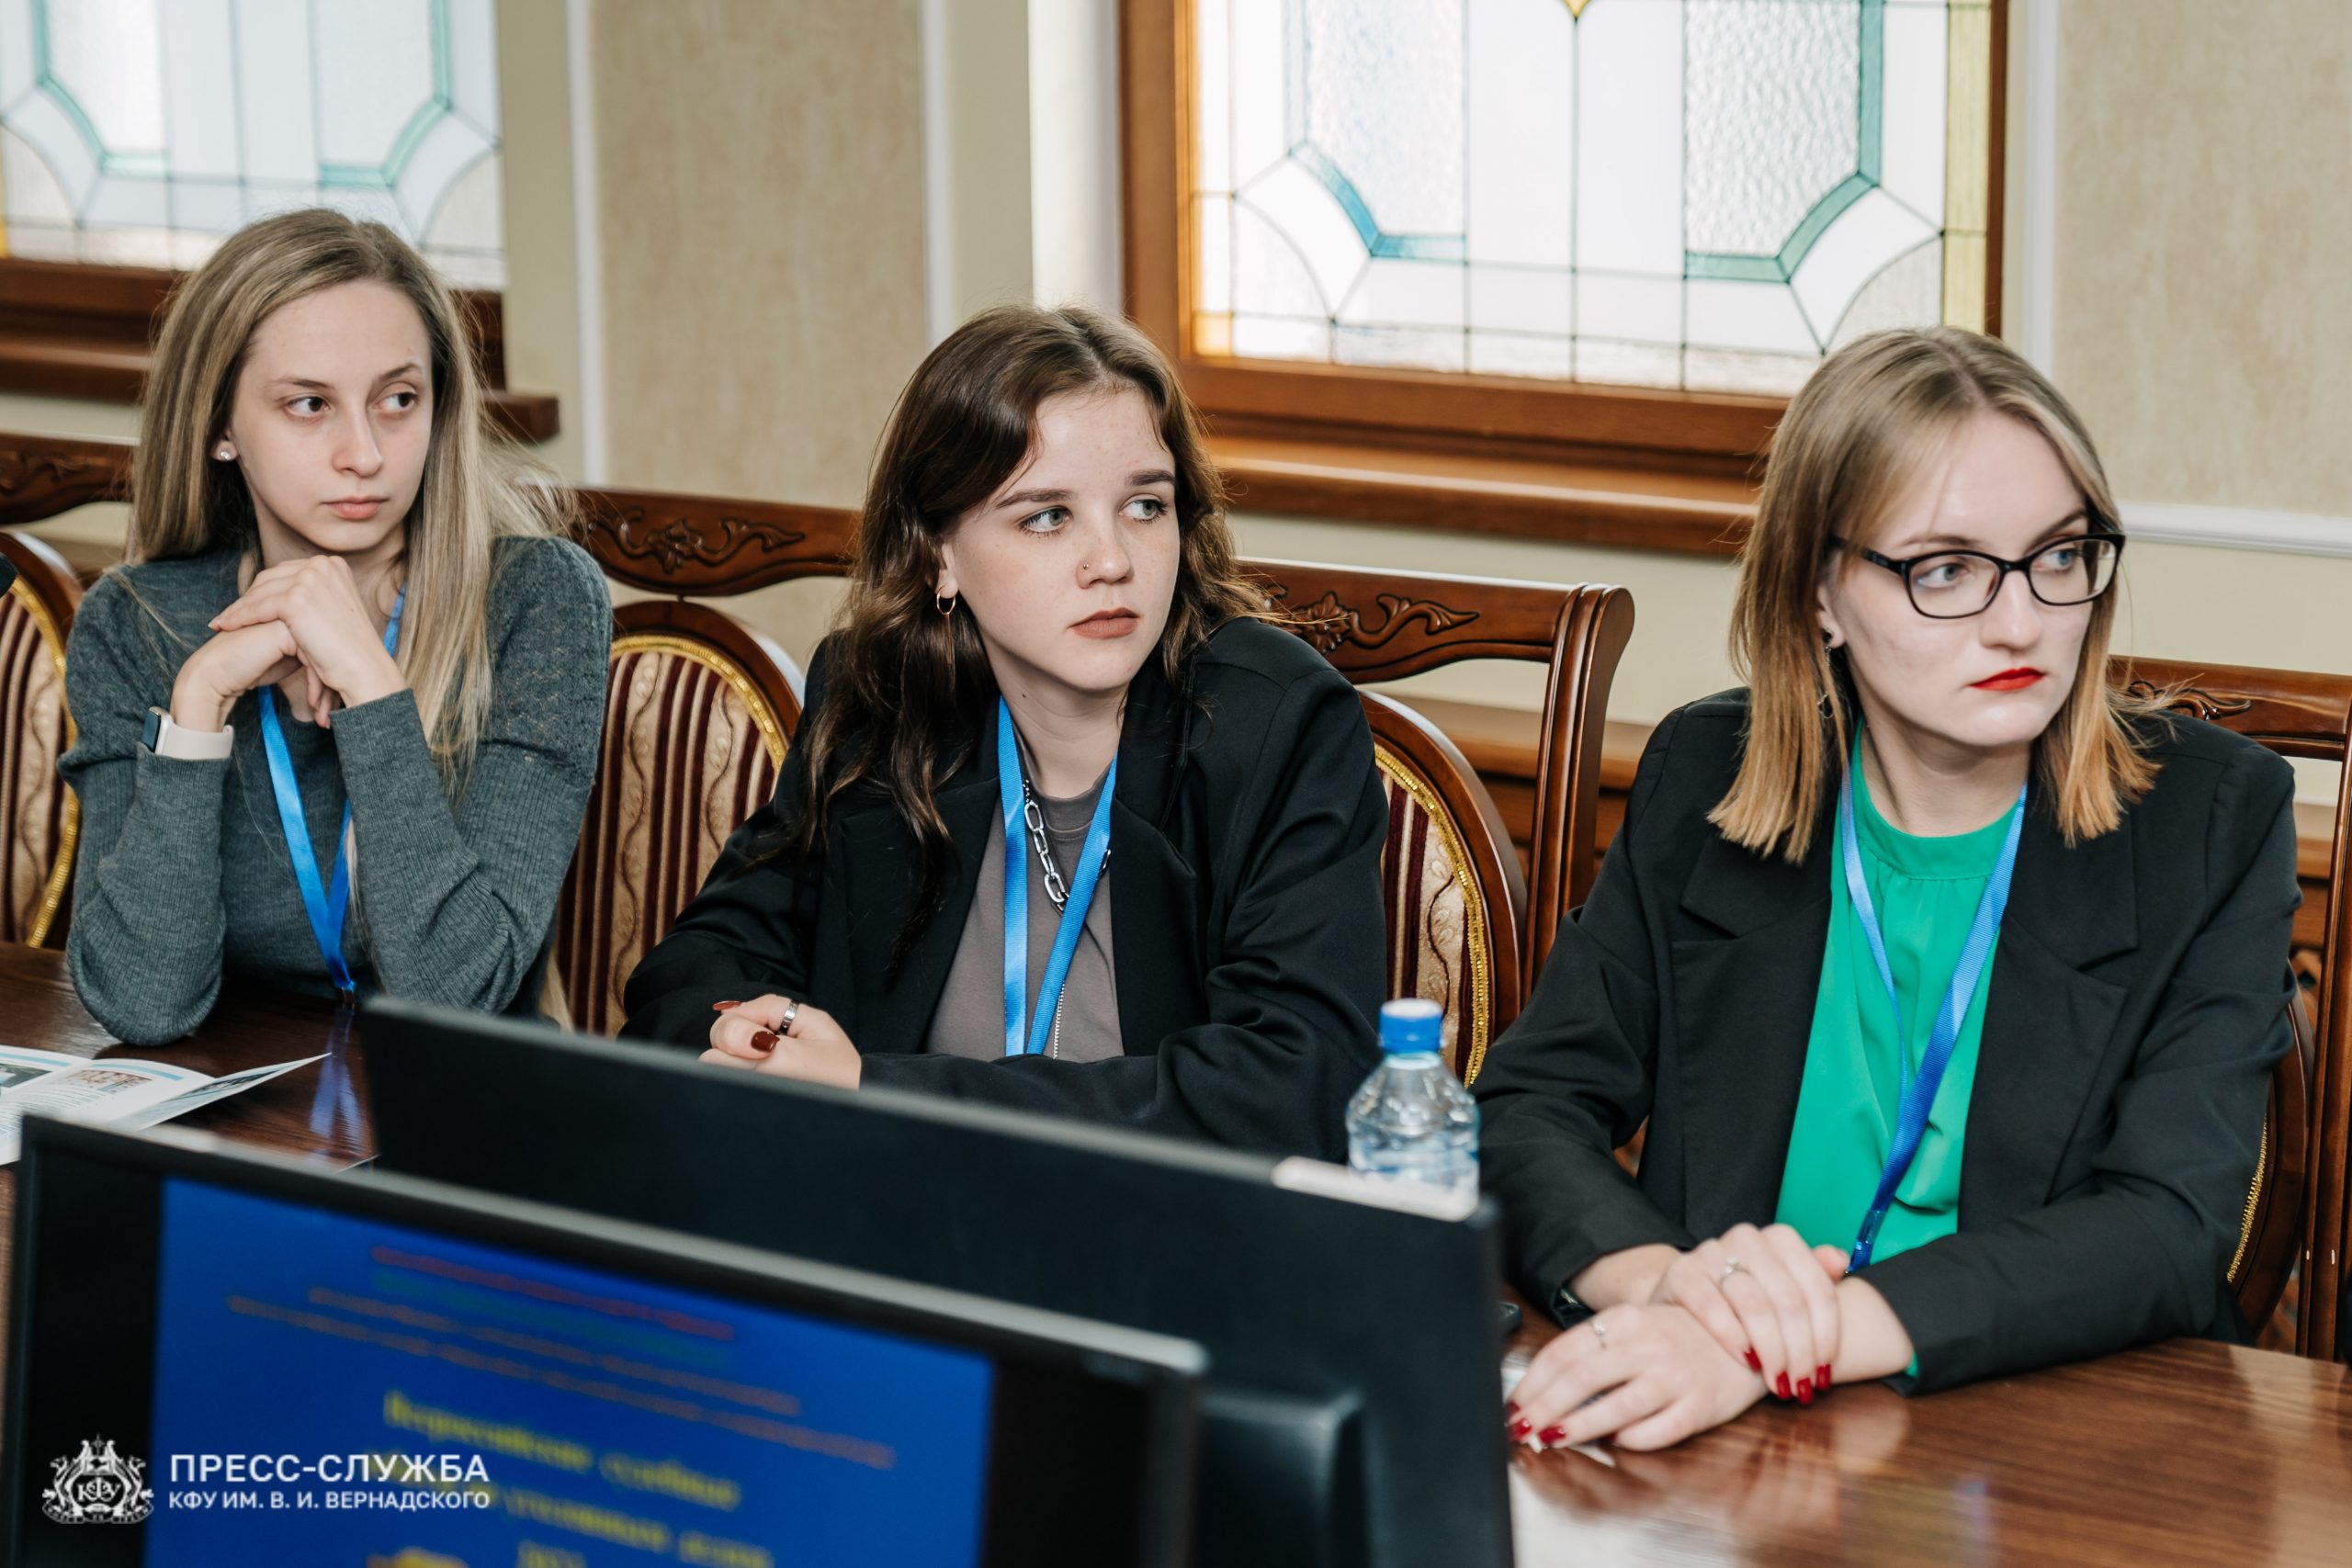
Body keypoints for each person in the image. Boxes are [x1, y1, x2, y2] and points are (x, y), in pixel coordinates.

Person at [1482, 327, 2298, 1450]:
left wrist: (1783, 1341)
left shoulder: (2209, 818)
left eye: (2059, 556)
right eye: (1945, 569)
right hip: (1726, 1434)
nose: (2022, 622)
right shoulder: (1703, 773)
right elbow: (1525, 1111)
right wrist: (1672, 1293)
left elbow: (2166, 1224)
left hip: (2051, 1437)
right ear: (1819, 591)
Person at [621, 304, 1386, 1158]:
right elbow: (694, 973)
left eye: (1145, 505)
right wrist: (758, 1042)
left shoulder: (1278, 725)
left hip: (1156, 1232)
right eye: (1047, 516)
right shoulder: (885, 700)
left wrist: (880, 1094)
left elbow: (1301, 1087)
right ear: (939, 554)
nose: (1113, 561)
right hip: (895, 1218)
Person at [62, 209, 610, 1044]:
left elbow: (461, 997)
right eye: (310, 403)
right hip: (239, 1102)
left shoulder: (538, 600)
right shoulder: (134, 621)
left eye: (398, 399)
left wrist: (373, 690)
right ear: (219, 427)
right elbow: (142, 1003)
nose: (365, 453)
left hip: (459, 1106)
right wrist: (197, 706)